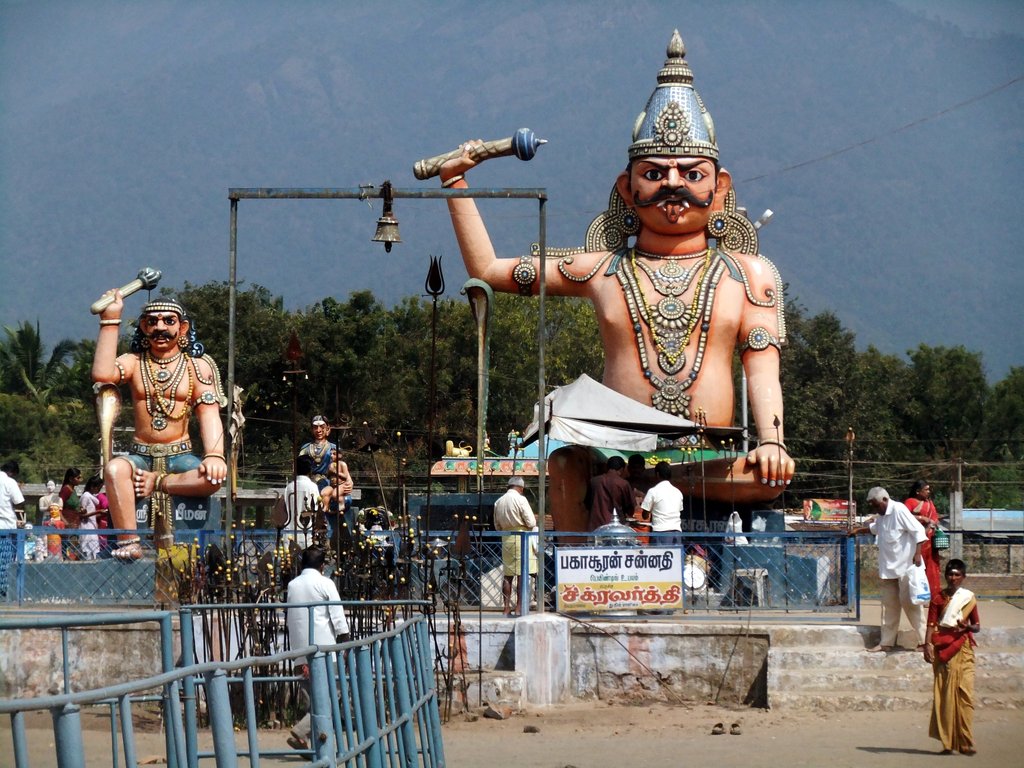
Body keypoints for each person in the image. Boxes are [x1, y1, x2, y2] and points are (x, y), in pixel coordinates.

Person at [438, 30, 794, 501]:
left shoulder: (749, 275)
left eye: (692, 174)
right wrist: (455, 183)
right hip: (615, 456)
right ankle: (580, 564)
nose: (673, 184)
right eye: (654, 173)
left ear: (720, 187)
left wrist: (771, 441)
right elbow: (488, 268)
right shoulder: (603, 269)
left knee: (770, 475)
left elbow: (762, 370)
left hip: (709, 463)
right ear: (627, 189)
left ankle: (656, 489)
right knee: (566, 460)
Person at [92, 292, 227, 560]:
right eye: (152, 322)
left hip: (180, 457)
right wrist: (111, 320)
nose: (160, 328)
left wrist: (214, 454)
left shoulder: (197, 367)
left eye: (169, 320)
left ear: (183, 327)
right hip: (140, 455)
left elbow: (209, 414)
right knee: (115, 469)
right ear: (143, 327)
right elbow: (103, 374)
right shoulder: (134, 362)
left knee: (212, 477)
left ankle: (160, 482)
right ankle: (129, 542)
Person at [285, 546, 350, 751]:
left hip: (299, 653)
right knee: (331, 698)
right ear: (322, 566)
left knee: (314, 700)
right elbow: (338, 617)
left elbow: (292, 619)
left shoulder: (293, 585)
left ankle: (314, 746)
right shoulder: (325, 583)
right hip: (323, 652)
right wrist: (345, 644)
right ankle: (302, 731)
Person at [854, 486, 927, 652]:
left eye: (875, 504)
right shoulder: (881, 517)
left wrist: (917, 554)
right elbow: (874, 529)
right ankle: (886, 642)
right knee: (889, 607)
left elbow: (919, 531)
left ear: (885, 500)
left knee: (911, 605)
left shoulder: (899, 510)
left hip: (906, 568)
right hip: (888, 570)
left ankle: (924, 641)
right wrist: (858, 530)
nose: (874, 508)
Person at [924, 558, 980, 756]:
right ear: (945, 576)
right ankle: (947, 743)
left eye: (957, 574)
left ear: (963, 577)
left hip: (962, 648)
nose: (953, 578)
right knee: (945, 696)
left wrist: (968, 627)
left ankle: (965, 742)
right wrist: (927, 645)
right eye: (950, 574)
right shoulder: (938, 598)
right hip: (943, 648)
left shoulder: (968, 598)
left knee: (965, 694)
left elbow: (977, 626)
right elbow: (931, 624)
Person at [492, 476, 538, 617]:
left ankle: (506, 608)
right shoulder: (521, 499)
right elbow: (531, 522)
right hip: (521, 538)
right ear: (520, 488)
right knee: (521, 574)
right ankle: (519, 607)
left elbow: (496, 525)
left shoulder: (498, 502)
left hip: (506, 539)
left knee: (508, 575)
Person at [905, 479, 941, 596]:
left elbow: (935, 518)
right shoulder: (910, 502)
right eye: (926, 490)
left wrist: (933, 523)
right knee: (917, 567)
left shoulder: (929, 503)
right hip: (916, 540)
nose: (928, 492)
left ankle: (933, 594)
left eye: (929, 489)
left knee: (932, 567)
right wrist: (922, 518)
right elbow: (905, 517)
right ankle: (917, 594)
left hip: (930, 538)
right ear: (917, 491)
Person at [586, 456, 636, 531]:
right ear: (622, 469)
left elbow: (587, 503)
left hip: (596, 525)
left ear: (607, 467)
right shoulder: (623, 483)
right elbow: (630, 506)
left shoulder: (594, 481)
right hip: (615, 526)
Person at [641, 461, 684, 546]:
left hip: (660, 532)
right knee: (675, 558)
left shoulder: (653, 491)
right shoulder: (678, 492)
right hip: (677, 532)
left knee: (660, 558)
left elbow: (644, 515)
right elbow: (679, 510)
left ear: (657, 474)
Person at [283, 455, 321, 549]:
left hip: (289, 533)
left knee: (290, 562)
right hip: (307, 533)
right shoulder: (312, 487)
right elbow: (316, 509)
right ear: (310, 470)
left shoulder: (289, 487)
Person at [319, 456, 354, 542]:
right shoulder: (331, 464)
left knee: (335, 494)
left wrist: (335, 471)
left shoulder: (342, 464)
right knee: (324, 493)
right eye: (331, 454)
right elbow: (328, 475)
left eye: (334, 454)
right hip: (332, 485)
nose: (332, 456)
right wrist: (329, 471)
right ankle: (325, 508)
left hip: (341, 485)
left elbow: (345, 476)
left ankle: (341, 504)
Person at [300, 415, 337, 490]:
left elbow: (341, 468)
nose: (318, 430)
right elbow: (298, 467)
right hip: (308, 483)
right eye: (315, 427)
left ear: (328, 428)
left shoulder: (333, 448)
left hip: (328, 483)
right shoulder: (305, 448)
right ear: (311, 429)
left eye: (322, 427)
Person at [78, 475, 104, 561]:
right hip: (86, 528)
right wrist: (98, 511)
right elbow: (81, 515)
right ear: (93, 487)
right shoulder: (85, 496)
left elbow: (91, 515)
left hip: (92, 527)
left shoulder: (91, 497)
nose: (99, 490)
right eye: (98, 488)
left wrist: (103, 514)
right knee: (88, 553)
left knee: (95, 552)